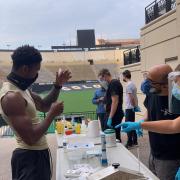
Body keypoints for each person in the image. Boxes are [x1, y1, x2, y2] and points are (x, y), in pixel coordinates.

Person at [0, 45, 71, 180]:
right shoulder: (11, 97)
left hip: (37, 155)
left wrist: (57, 86)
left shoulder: (22, 89)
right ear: (25, 69)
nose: (36, 75)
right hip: (29, 158)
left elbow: (44, 105)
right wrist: (52, 114)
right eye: (36, 71)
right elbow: (31, 138)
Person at [116, 64, 180, 180]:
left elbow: (173, 125)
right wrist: (144, 119)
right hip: (155, 151)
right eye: (146, 78)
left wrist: (141, 124)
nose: (146, 83)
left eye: (150, 80)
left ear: (166, 84)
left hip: (171, 157)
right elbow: (150, 109)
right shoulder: (153, 92)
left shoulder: (177, 97)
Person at [98, 68, 124, 142]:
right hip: (113, 114)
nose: (101, 82)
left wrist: (110, 117)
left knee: (114, 138)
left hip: (114, 116)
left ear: (105, 75)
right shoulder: (111, 84)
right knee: (112, 138)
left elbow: (115, 101)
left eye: (101, 79)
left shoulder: (113, 83)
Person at [122, 70, 138, 148]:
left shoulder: (128, 85)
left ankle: (129, 143)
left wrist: (133, 106)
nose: (122, 78)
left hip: (129, 108)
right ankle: (135, 141)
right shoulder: (133, 84)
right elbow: (135, 97)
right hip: (132, 107)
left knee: (128, 125)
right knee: (133, 124)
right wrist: (135, 106)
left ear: (125, 76)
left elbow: (131, 97)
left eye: (123, 76)